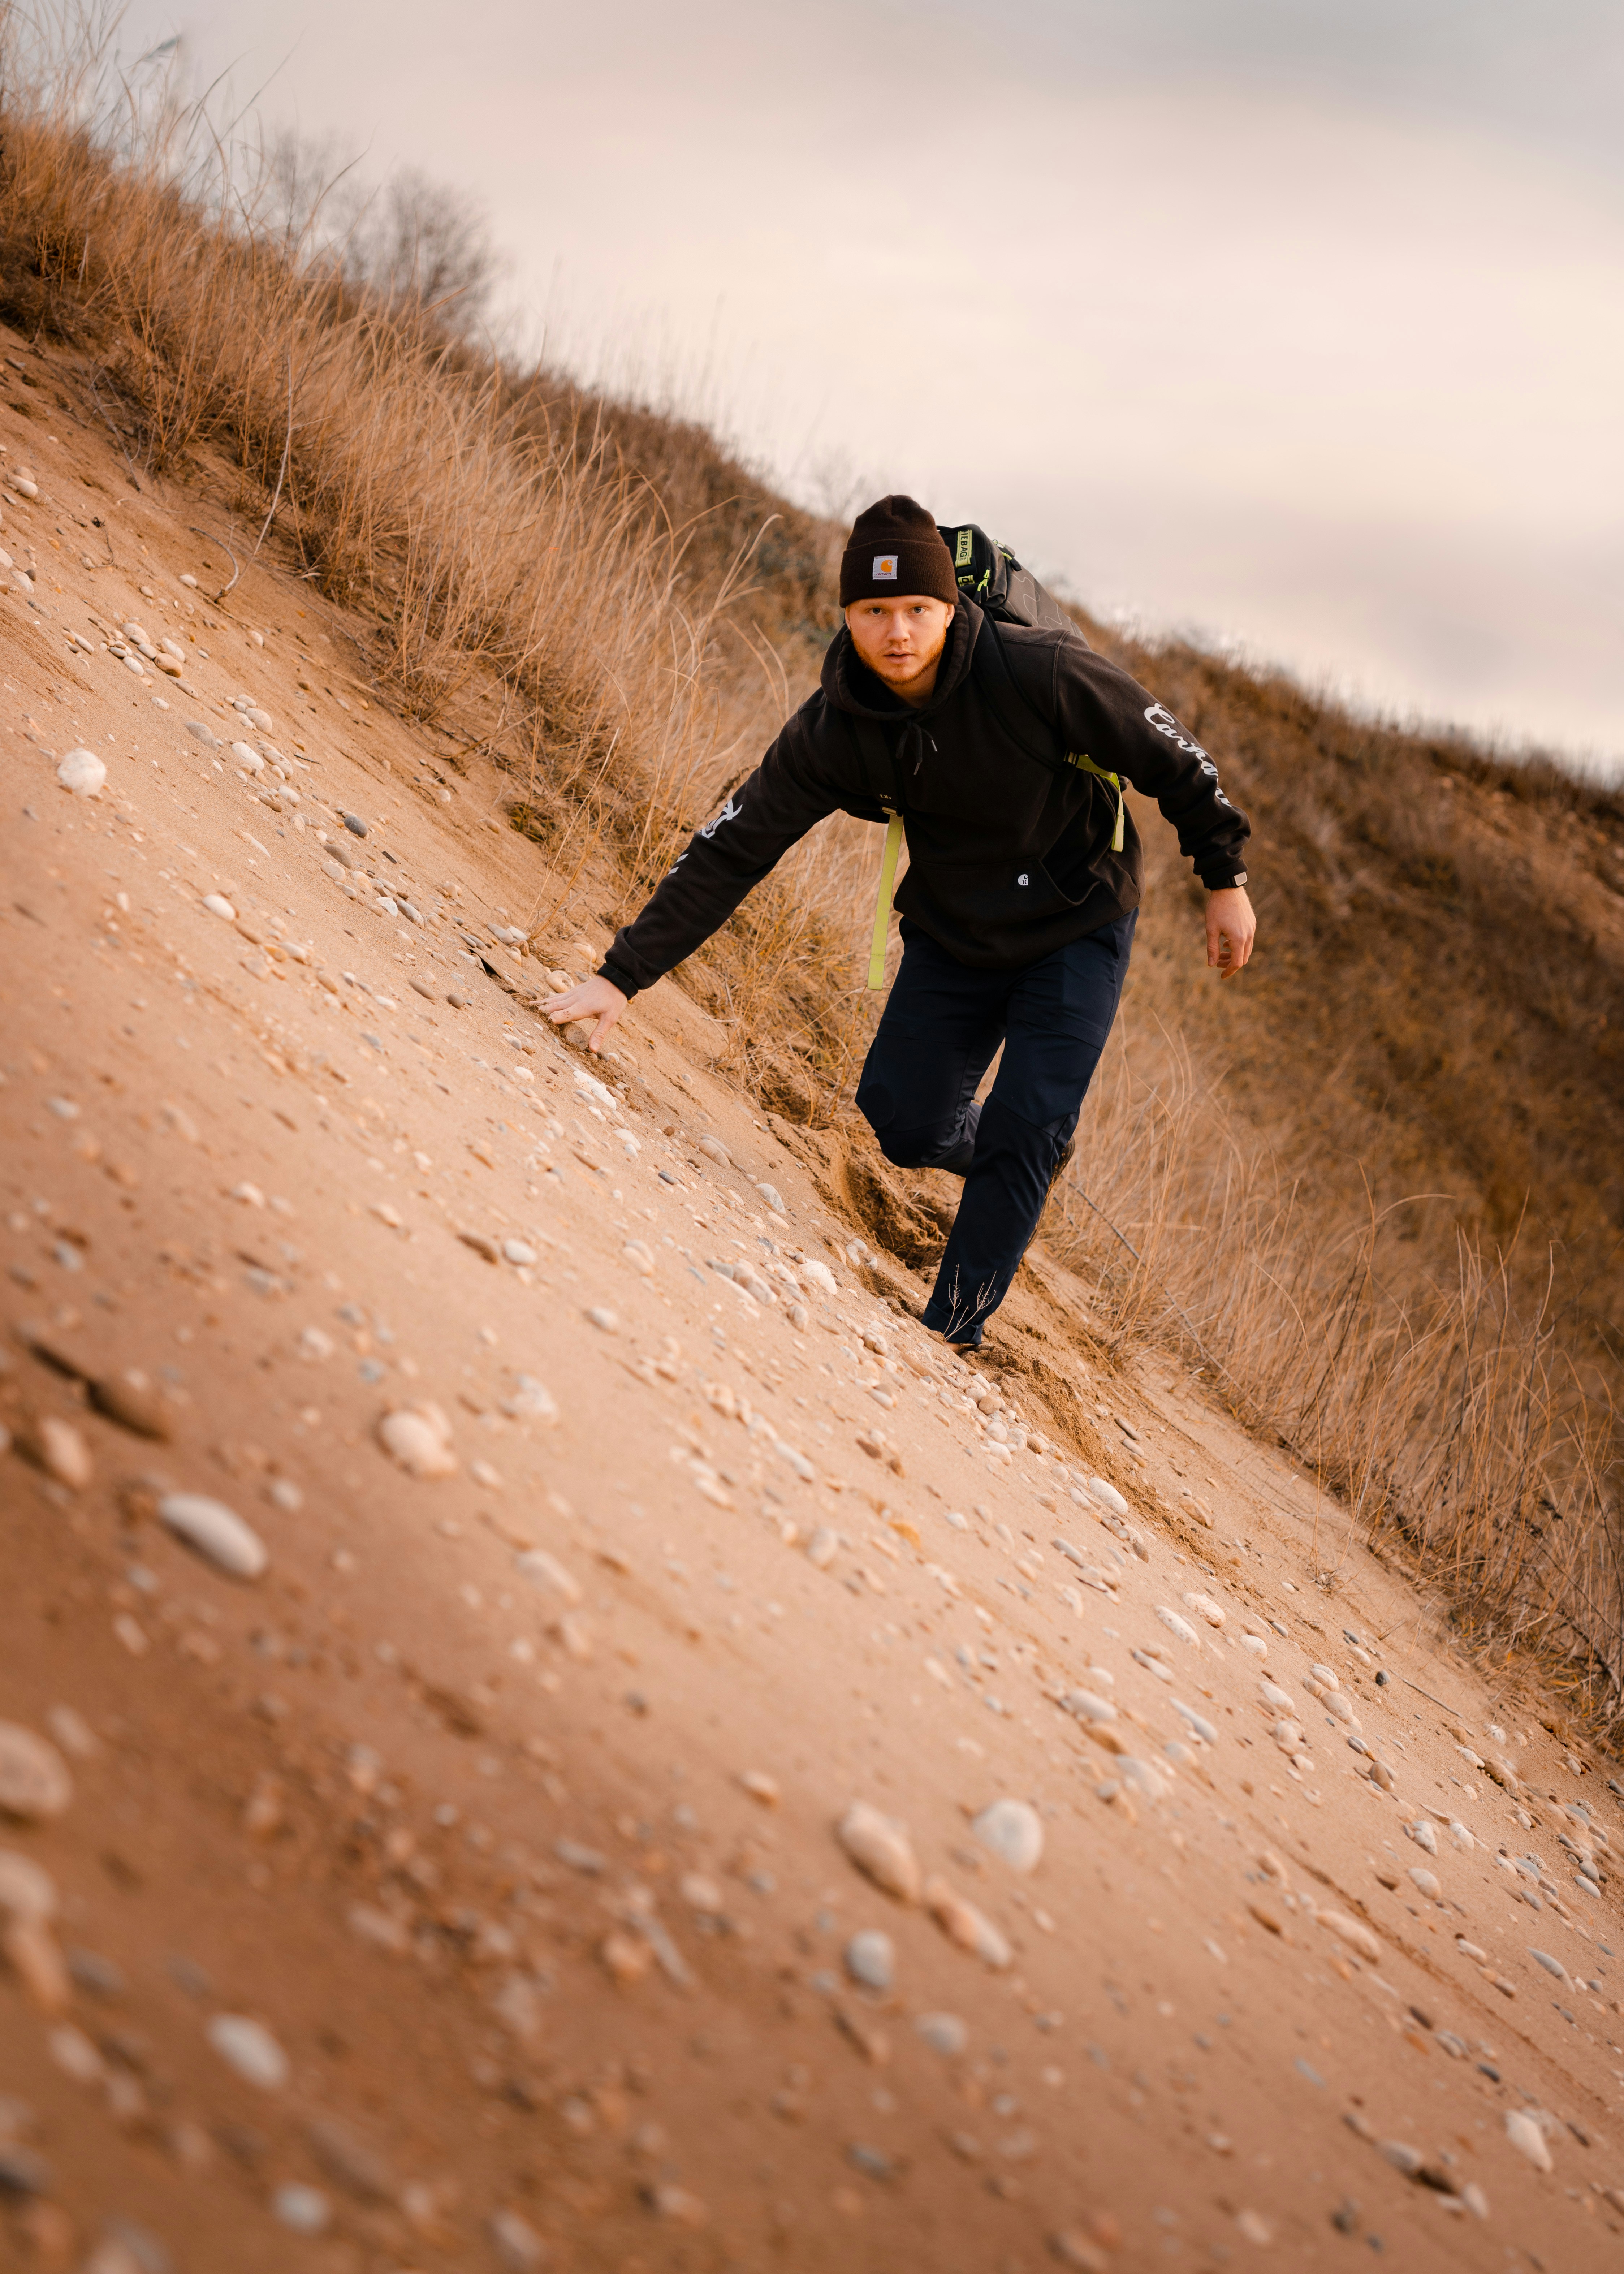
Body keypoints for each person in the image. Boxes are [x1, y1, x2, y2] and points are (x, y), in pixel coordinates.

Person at [547, 495, 1254, 1350]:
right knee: (903, 1117)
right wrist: (619, 977)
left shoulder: (1040, 671)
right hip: (956, 928)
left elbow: (1174, 757)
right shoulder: (837, 727)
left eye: (918, 608)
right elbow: (734, 845)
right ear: (846, 615)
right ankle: (1009, 1156)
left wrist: (1224, 877)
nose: (897, 631)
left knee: (1030, 1119)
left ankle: (952, 1328)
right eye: (874, 611)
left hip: (1077, 919)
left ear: (949, 606)